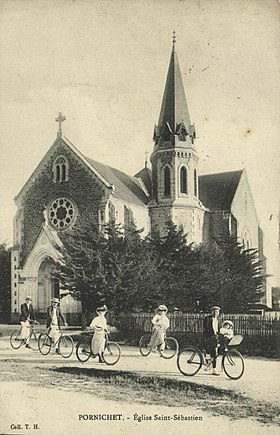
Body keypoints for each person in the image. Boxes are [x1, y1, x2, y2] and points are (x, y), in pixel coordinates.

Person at [203, 305, 222, 375]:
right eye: (214, 312)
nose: (216, 313)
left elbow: (219, 329)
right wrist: (210, 336)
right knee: (211, 352)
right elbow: (206, 328)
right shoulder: (207, 318)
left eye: (217, 312)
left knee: (215, 353)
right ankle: (211, 366)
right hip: (209, 337)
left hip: (215, 337)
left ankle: (212, 367)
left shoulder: (219, 320)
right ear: (212, 312)